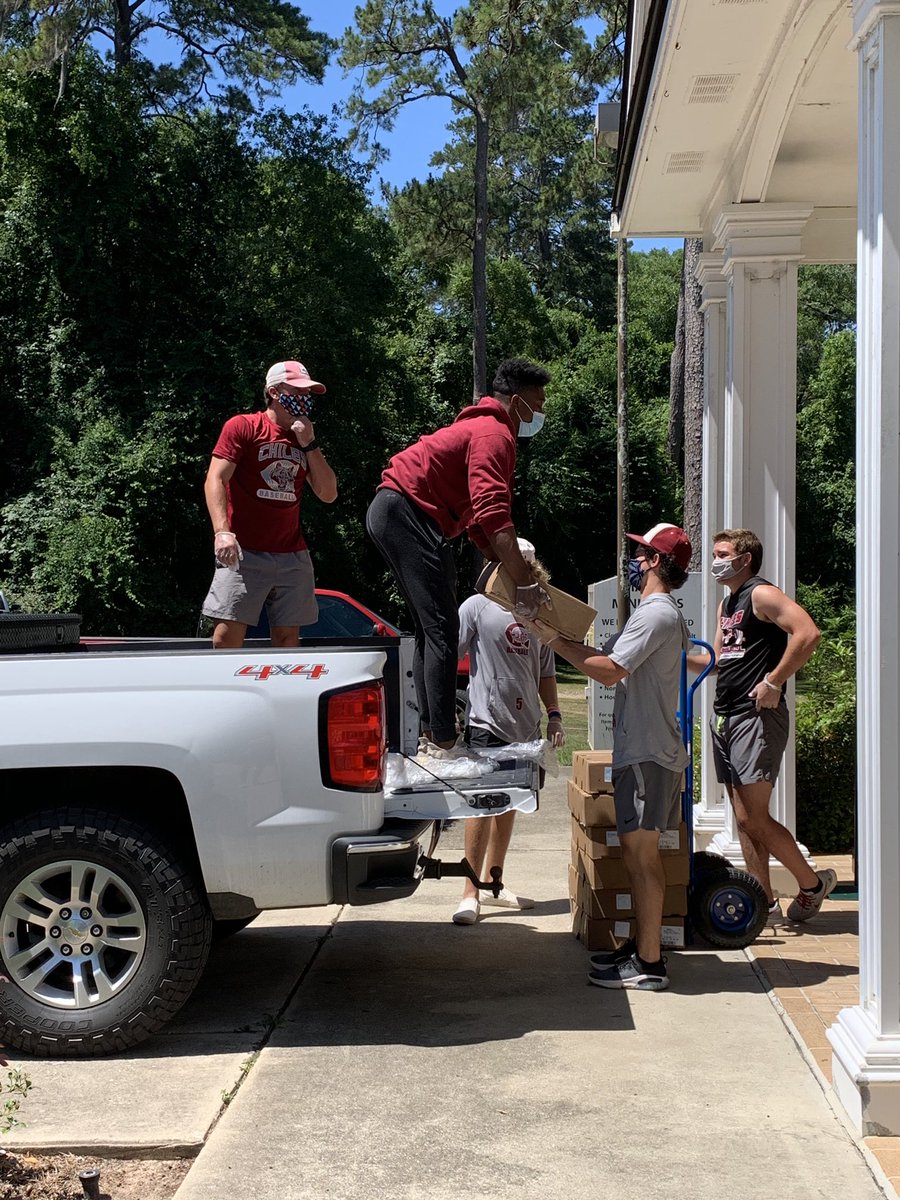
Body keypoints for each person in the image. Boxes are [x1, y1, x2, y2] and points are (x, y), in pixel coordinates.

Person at [530, 523, 693, 991]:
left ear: (657, 562)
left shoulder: (656, 613)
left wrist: (553, 641)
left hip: (647, 753)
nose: (635, 562)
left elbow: (607, 672)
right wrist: (561, 632)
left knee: (642, 859)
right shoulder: (653, 613)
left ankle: (650, 964)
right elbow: (606, 656)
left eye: (641, 554)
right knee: (636, 857)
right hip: (644, 749)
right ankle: (641, 949)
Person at [366, 359, 551, 759]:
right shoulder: (494, 433)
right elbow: (493, 512)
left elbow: (475, 521)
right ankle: (444, 741)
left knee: (432, 626)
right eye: (537, 403)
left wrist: (498, 563)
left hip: (401, 512)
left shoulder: (484, 429)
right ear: (516, 401)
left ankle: (434, 734)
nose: (540, 413)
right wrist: (524, 582)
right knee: (443, 629)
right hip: (406, 511)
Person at [691, 528, 834, 925]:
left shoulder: (761, 594)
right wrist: (670, 654)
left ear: (745, 558)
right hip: (728, 714)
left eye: (722, 553)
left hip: (757, 718)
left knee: (754, 816)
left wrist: (773, 681)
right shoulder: (728, 604)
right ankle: (763, 900)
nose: (715, 561)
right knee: (743, 818)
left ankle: (811, 885)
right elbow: (716, 661)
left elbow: (808, 633)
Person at [451, 539, 566, 925]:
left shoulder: (539, 616)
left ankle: (494, 884)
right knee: (481, 805)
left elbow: (546, 672)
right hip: (487, 722)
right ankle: (470, 892)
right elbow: (449, 655)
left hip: (526, 727)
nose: (524, 574)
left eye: (529, 568)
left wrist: (554, 715)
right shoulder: (477, 607)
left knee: (513, 802)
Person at [202, 359, 338, 649]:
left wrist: (310, 443)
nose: (304, 399)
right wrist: (222, 531)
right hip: (243, 551)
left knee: (288, 638)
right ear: (275, 393)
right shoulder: (244, 426)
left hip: (292, 554)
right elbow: (215, 478)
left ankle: (283, 693)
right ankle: (227, 693)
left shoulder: (304, 438)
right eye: (298, 392)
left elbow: (328, 493)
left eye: (308, 394)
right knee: (226, 635)